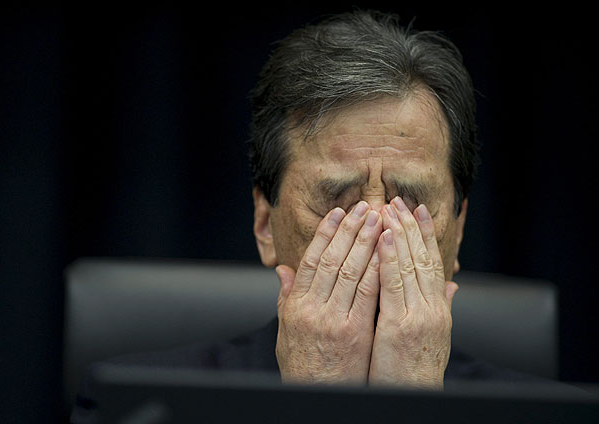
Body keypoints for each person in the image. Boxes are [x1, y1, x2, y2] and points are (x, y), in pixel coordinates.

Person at [71, 9, 548, 422]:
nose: (377, 230)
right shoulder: (141, 408)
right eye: (338, 200)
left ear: (458, 230)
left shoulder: (548, 416)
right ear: (264, 224)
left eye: (410, 201)